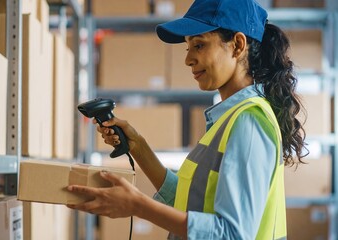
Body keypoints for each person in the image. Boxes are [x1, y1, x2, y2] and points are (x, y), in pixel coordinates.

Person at [67, 0, 307, 239]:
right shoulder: (229, 119)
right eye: (188, 48)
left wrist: (138, 206)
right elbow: (187, 199)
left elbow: (232, 234)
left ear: (237, 45)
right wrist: (138, 147)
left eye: (199, 45)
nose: (188, 59)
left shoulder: (249, 121)